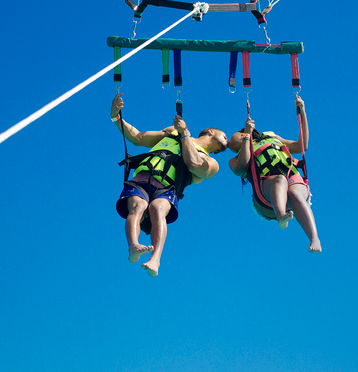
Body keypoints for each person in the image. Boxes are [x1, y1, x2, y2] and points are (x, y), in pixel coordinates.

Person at [111, 93, 228, 276]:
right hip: (143, 176)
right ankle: (133, 246)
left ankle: (155, 259)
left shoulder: (211, 163)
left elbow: (194, 164)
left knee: (157, 209)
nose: (227, 141)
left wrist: (185, 134)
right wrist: (116, 116)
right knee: (138, 206)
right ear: (211, 132)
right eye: (225, 136)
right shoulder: (172, 133)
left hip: (166, 187)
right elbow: (139, 138)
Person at [228, 96, 321, 253]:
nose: (228, 144)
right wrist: (246, 138)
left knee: (295, 194)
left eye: (231, 139)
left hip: (291, 176)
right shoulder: (235, 158)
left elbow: (302, 145)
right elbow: (241, 167)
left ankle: (314, 238)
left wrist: (302, 112)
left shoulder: (272, 137)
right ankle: (281, 215)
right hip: (266, 191)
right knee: (279, 180)